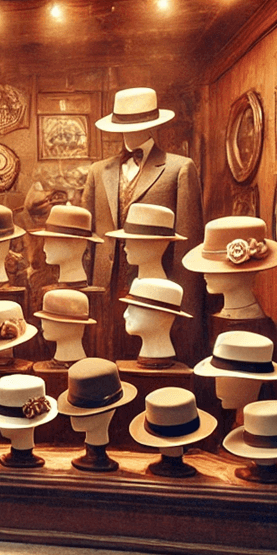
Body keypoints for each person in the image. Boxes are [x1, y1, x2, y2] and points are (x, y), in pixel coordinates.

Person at [80, 87, 204, 362]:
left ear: (154, 124)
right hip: (106, 294)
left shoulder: (179, 168)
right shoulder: (99, 172)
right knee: (107, 368)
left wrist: (184, 311)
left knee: (153, 367)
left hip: (157, 294)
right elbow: (86, 242)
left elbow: (189, 245)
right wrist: (85, 296)